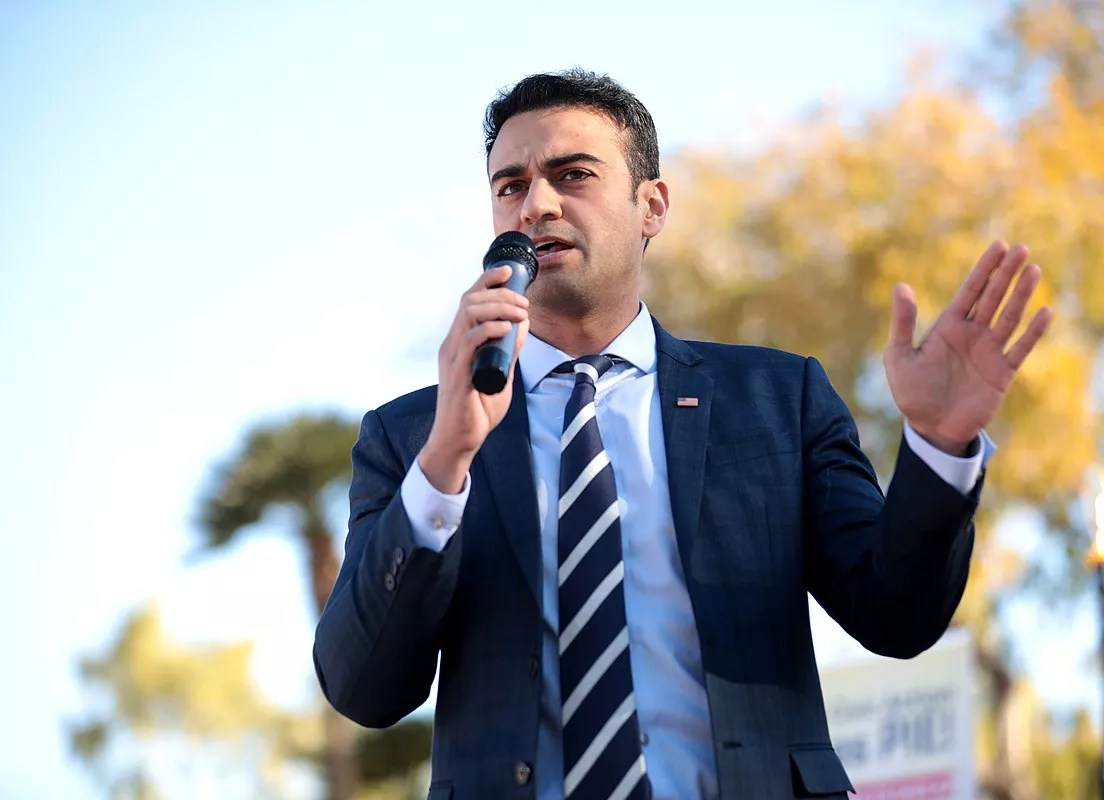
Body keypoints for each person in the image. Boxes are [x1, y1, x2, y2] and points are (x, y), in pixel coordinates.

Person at [313, 69, 1052, 800]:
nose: (535, 205)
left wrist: (936, 447)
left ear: (652, 206)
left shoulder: (775, 399)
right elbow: (362, 687)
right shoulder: (414, 436)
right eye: (510, 186)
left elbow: (897, 616)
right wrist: (446, 461)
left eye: (572, 175)